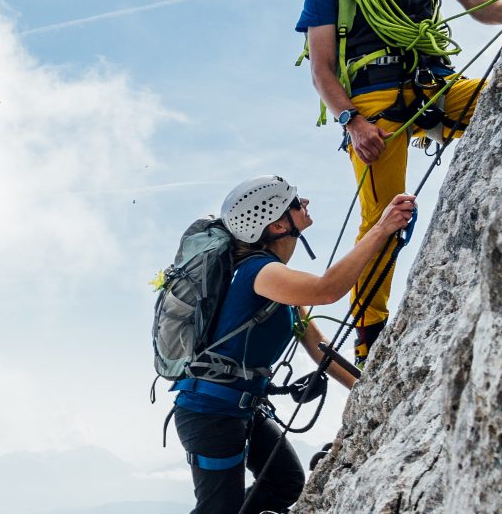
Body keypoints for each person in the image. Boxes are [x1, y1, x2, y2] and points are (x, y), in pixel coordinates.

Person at [296, 0, 502, 364]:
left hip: (437, 85)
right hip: (372, 107)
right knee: (382, 220)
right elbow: (321, 70)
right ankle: (370, 335)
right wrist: (351, 121)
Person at [172, 175, 415, 513]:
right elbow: (327, 290)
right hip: (210, 414)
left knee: (285, 482)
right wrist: (381, 229)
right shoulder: (261, 272)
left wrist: (365, 390)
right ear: (275, 224)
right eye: (296, 203)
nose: (306, 204)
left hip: (241, 407)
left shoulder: (273, 283)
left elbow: (319, 348)